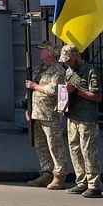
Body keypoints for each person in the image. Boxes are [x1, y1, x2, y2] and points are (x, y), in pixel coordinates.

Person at [61, 44, 103, 198]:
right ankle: (81, 182)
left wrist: (77, 91)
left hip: (86, 118)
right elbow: (66, 92)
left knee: (88, 151)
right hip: (72, 116)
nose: (67, 63)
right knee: (75, 150)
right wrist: (61, 104)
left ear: (76, 56)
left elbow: (97, 96)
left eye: (69, 60)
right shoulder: (68, 71)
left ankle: (94, 185)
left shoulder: (90, 71)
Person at [25, 42, 68, 189]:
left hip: (50, 114)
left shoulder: (58, 70)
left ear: (50, 52)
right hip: (37, 112)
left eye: (42, 50)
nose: (39, 52)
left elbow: (55, 89)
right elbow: (30, 90)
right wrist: (28, 107)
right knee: (41, 145)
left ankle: (59, 175)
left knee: (54, 145)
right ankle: (46, 173)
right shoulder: (40, 68)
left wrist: (35, 86)